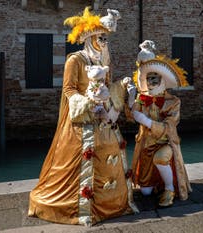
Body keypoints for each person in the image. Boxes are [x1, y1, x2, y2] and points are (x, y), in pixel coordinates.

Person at [28, 7, 138, 226]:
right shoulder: (75, 60)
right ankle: (81, 206)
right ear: (91, 38)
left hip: (104, 121)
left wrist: (123, 86)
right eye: (102, 38)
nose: (105, 42)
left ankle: (114, 202)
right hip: (82, 121)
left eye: (107, 38)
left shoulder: (104, 62)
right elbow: (68, 90)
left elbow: (107, 88)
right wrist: (89, 102)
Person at [126, 40, 192, 207]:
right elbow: (130, 116)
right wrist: (130, 98)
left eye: (155, 77)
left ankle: (169, 189)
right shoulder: (142, 99)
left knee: (161, 158)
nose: (152, 81)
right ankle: (155, 184)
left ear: (162, 79)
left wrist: (147, 121)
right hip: (146, 145)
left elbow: (170, 125)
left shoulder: (173, 102)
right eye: (149, 78)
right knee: (146, 191)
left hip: (165, 143)